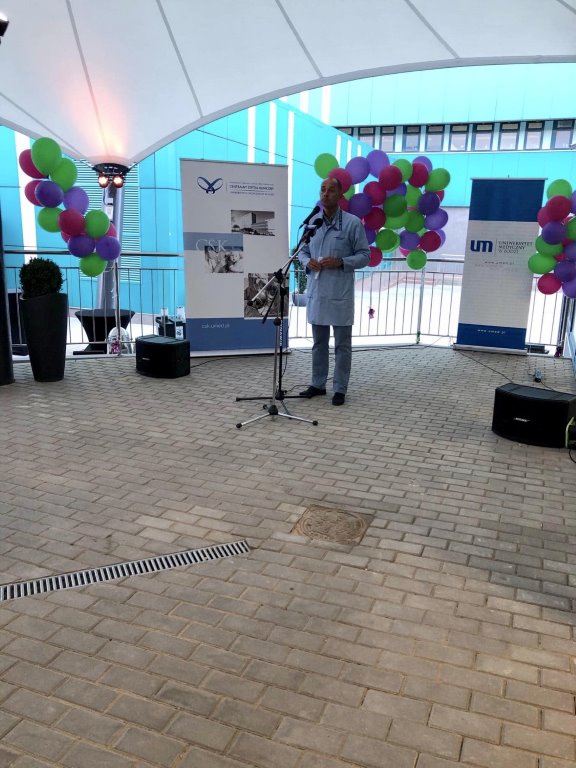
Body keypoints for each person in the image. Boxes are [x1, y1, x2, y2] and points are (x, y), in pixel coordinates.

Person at [297, 177, 370, 405]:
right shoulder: (313, 223)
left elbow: (365, 256)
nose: (325, 193)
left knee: (342, 346)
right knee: (319, 344)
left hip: (340, 294)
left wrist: (341, 262)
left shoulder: (352, 223)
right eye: (322, 189)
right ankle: (318, 384)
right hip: (318, 292)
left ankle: (340, 389)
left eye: (330, 190)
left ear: (340, 196)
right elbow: (301, 251)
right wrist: (307, 261)